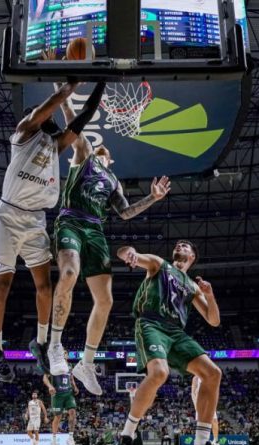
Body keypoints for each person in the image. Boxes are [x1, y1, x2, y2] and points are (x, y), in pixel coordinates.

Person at [47, 88, 171, 394]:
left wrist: (152, 198)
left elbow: (126, 213)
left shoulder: (113, 181)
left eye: (108, 152)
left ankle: (86, 363)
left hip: (96, 230)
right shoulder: (84, 155)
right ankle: (54, 345)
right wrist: (62, 95)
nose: (105, 151)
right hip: (71, 220)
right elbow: (73, 124)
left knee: (106, 300)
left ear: (111, 160)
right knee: (69, 273)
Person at [0, 80, 106, 382]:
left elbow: (83, 119)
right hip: (9, 215)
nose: (50, 119)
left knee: (45, 286)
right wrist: (72, 82)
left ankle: (40, 343)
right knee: (3, 284)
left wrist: (102, 81)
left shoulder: (57, 144)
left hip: (36, 220)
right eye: (45, 116)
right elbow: (54, 101)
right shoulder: (23, 133)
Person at [109, 240, 231, 445]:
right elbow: (126, 252)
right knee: (159, 373)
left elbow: (214, 321)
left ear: (192, 256)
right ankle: (125, 438)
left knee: (213, 373)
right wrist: (130, 253)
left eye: (186, 245)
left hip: (176, 332)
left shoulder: (193, 287)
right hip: (151, 323)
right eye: (179, 244)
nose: (180, 245)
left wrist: (210, 295)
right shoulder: (159, 264)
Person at [43, 350, 80, 445]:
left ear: (67, 355)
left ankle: (71, 438)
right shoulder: (53, 365)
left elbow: (71, 378)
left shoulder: (70, 366)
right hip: (57, 395)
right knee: (58, 417)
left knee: (72, 412)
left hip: (68, 393)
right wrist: (50, 386)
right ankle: (54, 440)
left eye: (65, 353)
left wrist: (75, 387)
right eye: (61, 353)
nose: (63, 354)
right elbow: (45, 378)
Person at [192, 375, 221, 445]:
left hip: (210, 401)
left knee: (214, 421)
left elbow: (215, 390)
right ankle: (201, 443)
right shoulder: (195, 378)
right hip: (200, 402)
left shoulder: (209, 375)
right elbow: (193, 392)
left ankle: (216, 441)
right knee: (201, 422)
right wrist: (195, 404)